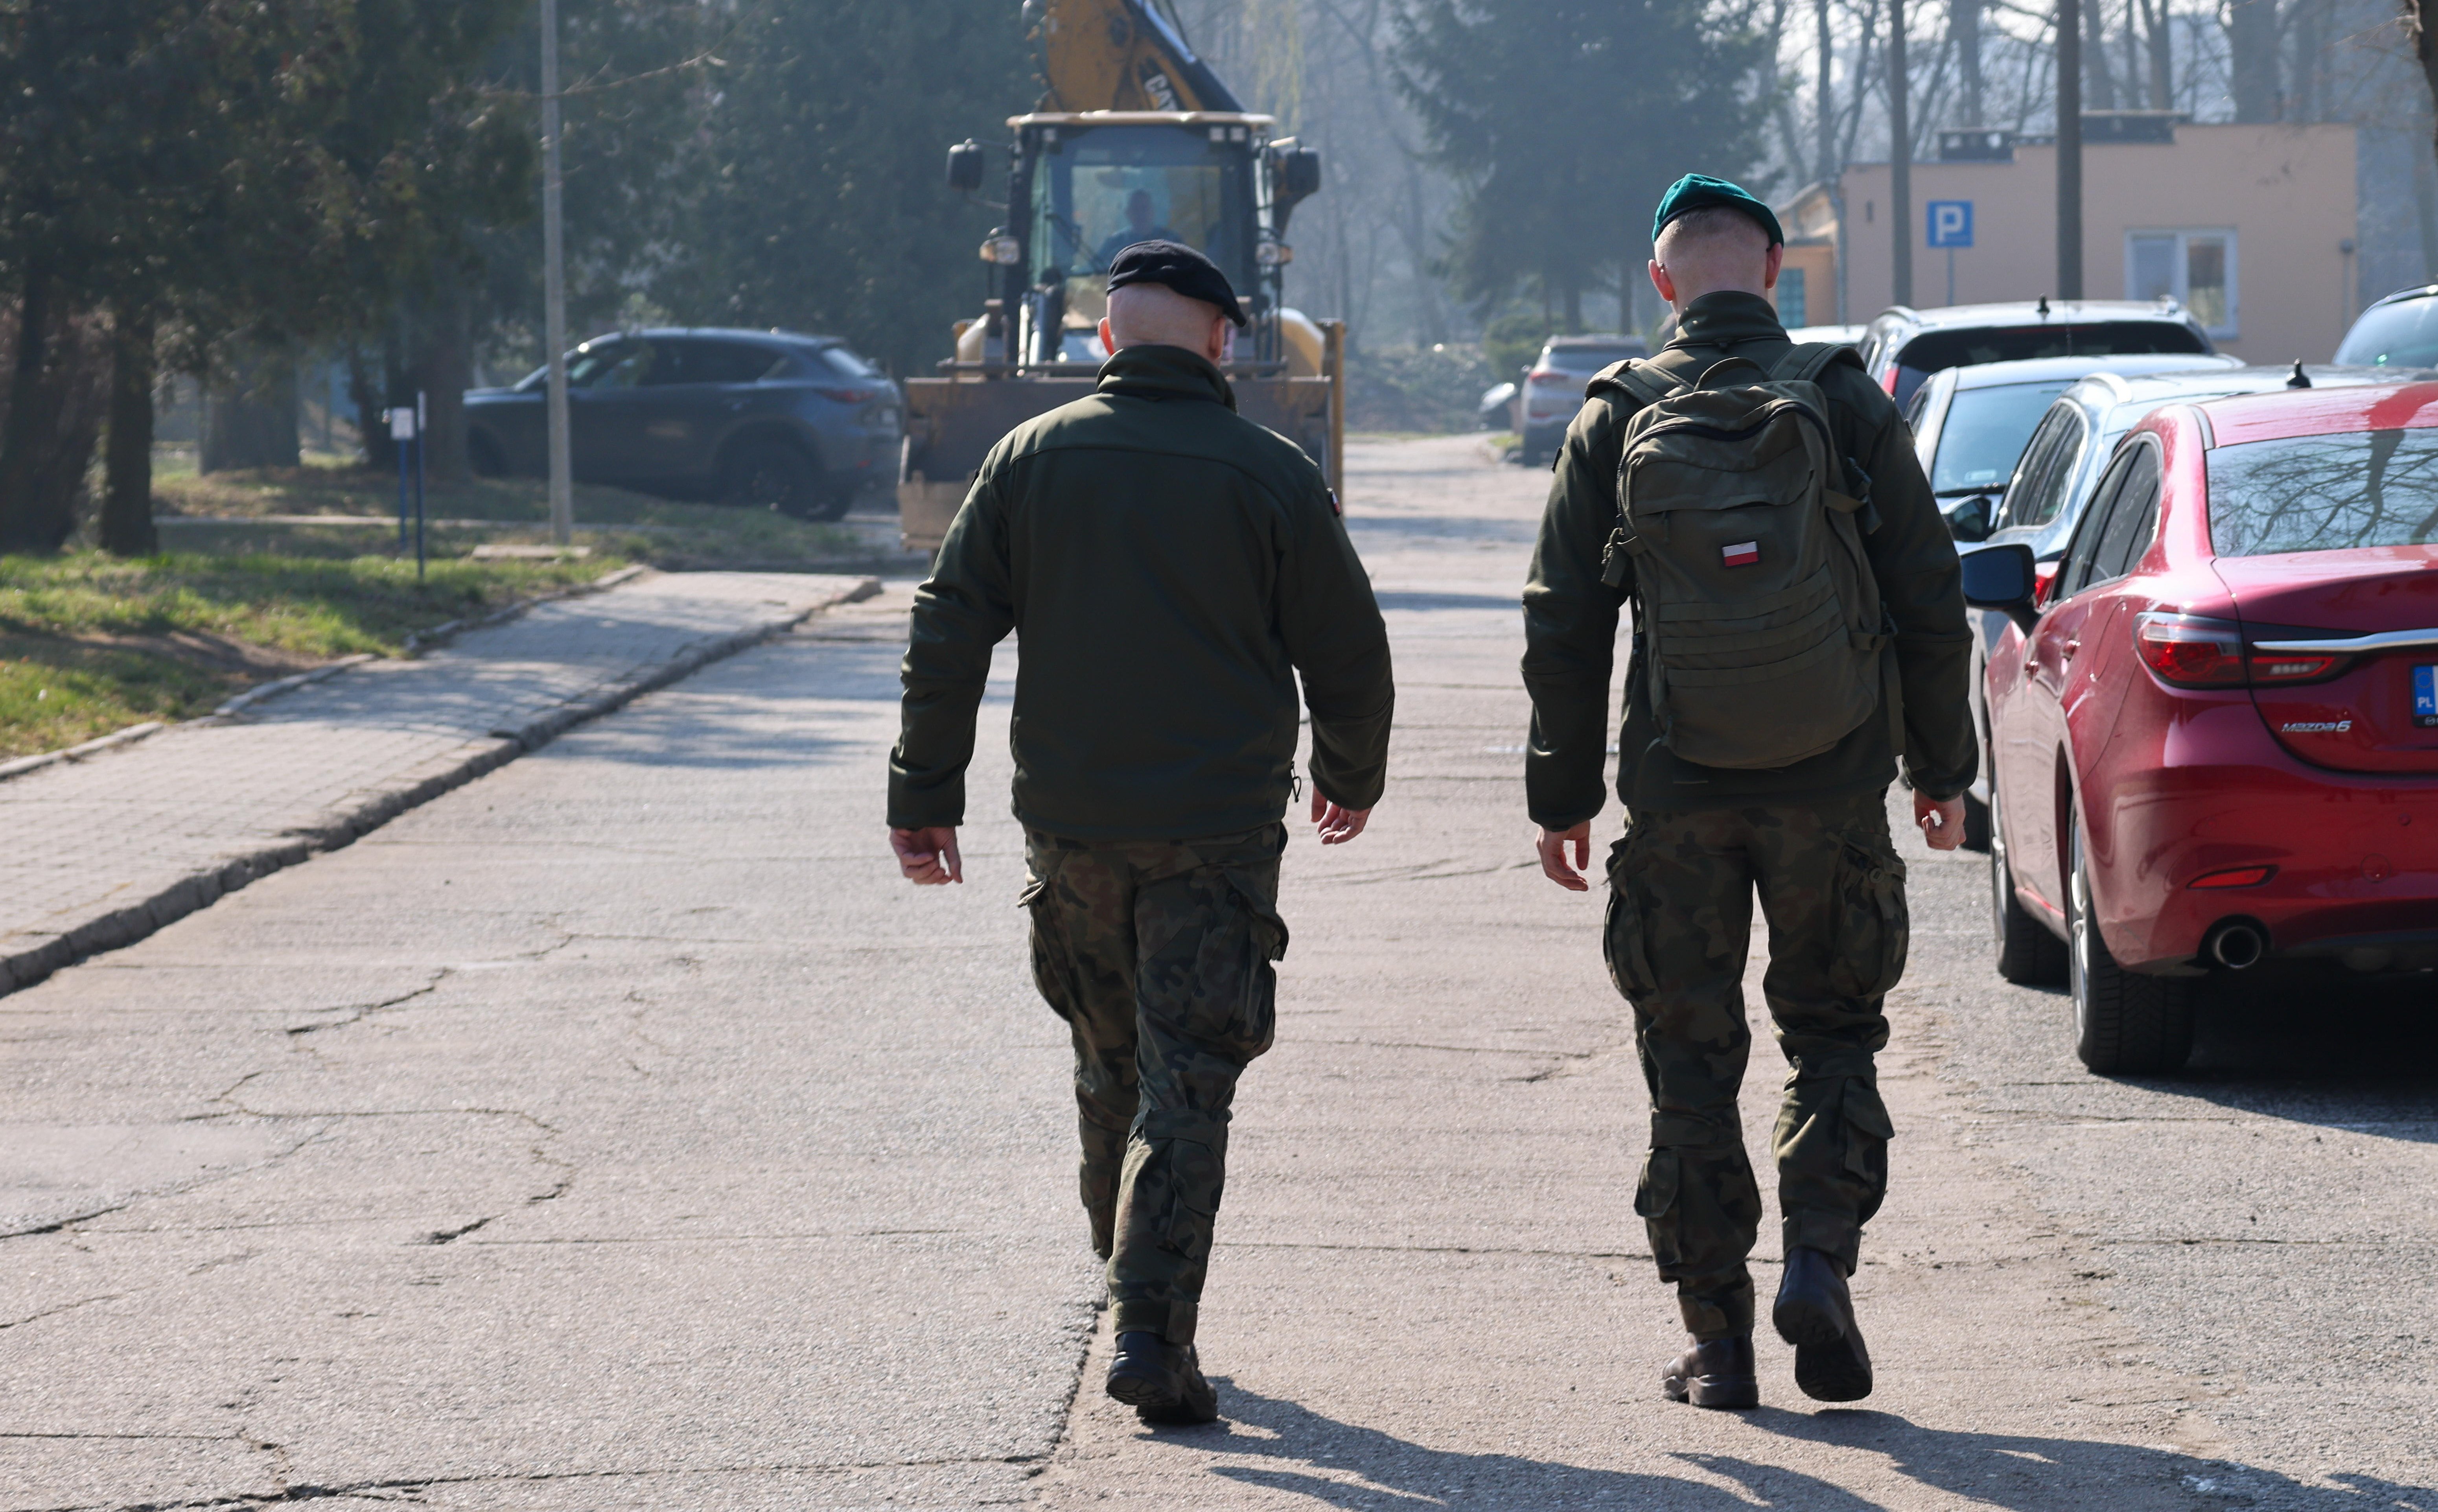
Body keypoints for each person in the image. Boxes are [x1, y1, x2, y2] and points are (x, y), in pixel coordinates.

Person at [888, 240, 1394, 1426]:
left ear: (1105, 343)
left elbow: (947, 626)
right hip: (1212, 839)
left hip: (1069, 834)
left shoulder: (1028, 460)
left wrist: (923, 793)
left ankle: (1127, 1291)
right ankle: (1150, 1333)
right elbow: (1347, 647)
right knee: (1190, 1077)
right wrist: (1348, 772)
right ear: (1222, 339)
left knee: (1110, 1067)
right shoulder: (1267, 475)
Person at [1520, 174, 1974, 1410]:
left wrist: (1559, 792)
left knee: (1687, 1056)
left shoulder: (1614, 412)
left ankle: (1717, 1347)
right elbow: (1927, 598)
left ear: (1660, 283)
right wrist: (1942, 772)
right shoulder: (1836, 400)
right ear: (1773, 274)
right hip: (1830, 785)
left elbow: (1562, 621)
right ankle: (1818, 1267)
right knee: (1830, 1033)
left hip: (1674, 793)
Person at [1093, 189, 1176, 272]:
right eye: (1135, 209)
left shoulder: (1171, 240)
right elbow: (1093, 268)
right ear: (1127, 213)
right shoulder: (1114, 243)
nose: (1140, 213)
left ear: (1153, 210)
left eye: (1144, 208)